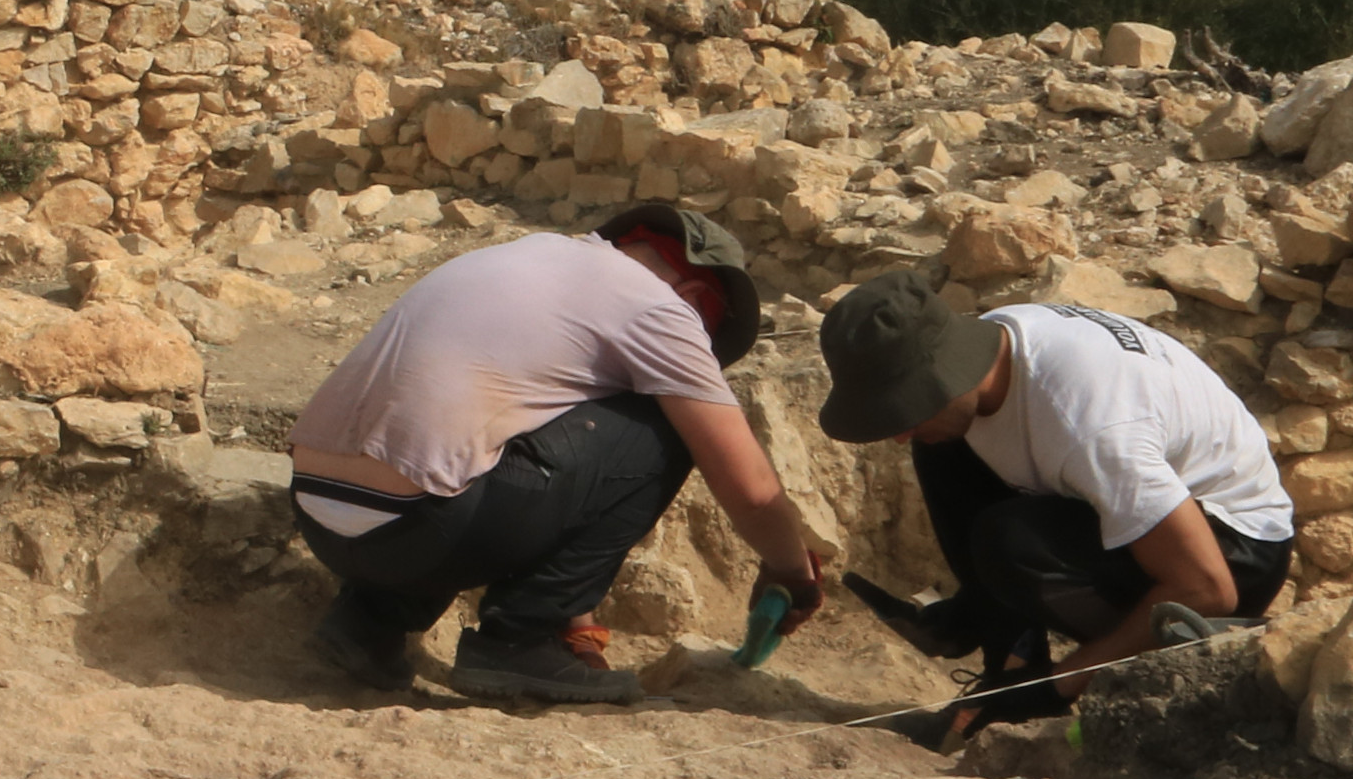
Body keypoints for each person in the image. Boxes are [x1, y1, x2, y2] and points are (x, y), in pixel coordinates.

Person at [288, 204, 831, 704]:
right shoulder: (661, 307)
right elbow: (752, 491)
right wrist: (792, 573)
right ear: (692, 297)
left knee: (465, 441)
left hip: (320, 518)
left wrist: (579, 619)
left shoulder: (526, 256)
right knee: (668, 427)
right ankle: (519, 641)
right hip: (420, 531)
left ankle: (370, 621)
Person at [812, 270, 1297, 747]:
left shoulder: (1093, 428)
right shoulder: (1000, 339)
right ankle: (1004, 662)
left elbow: (1208, 589)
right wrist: (980, 608)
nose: (896, 432)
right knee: (939, 444)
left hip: (1234, 548)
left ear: (947, 371)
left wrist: (1056, 685)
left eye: (906, 406)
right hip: (1158, 515)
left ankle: (1029, 688)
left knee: (1011, 543)